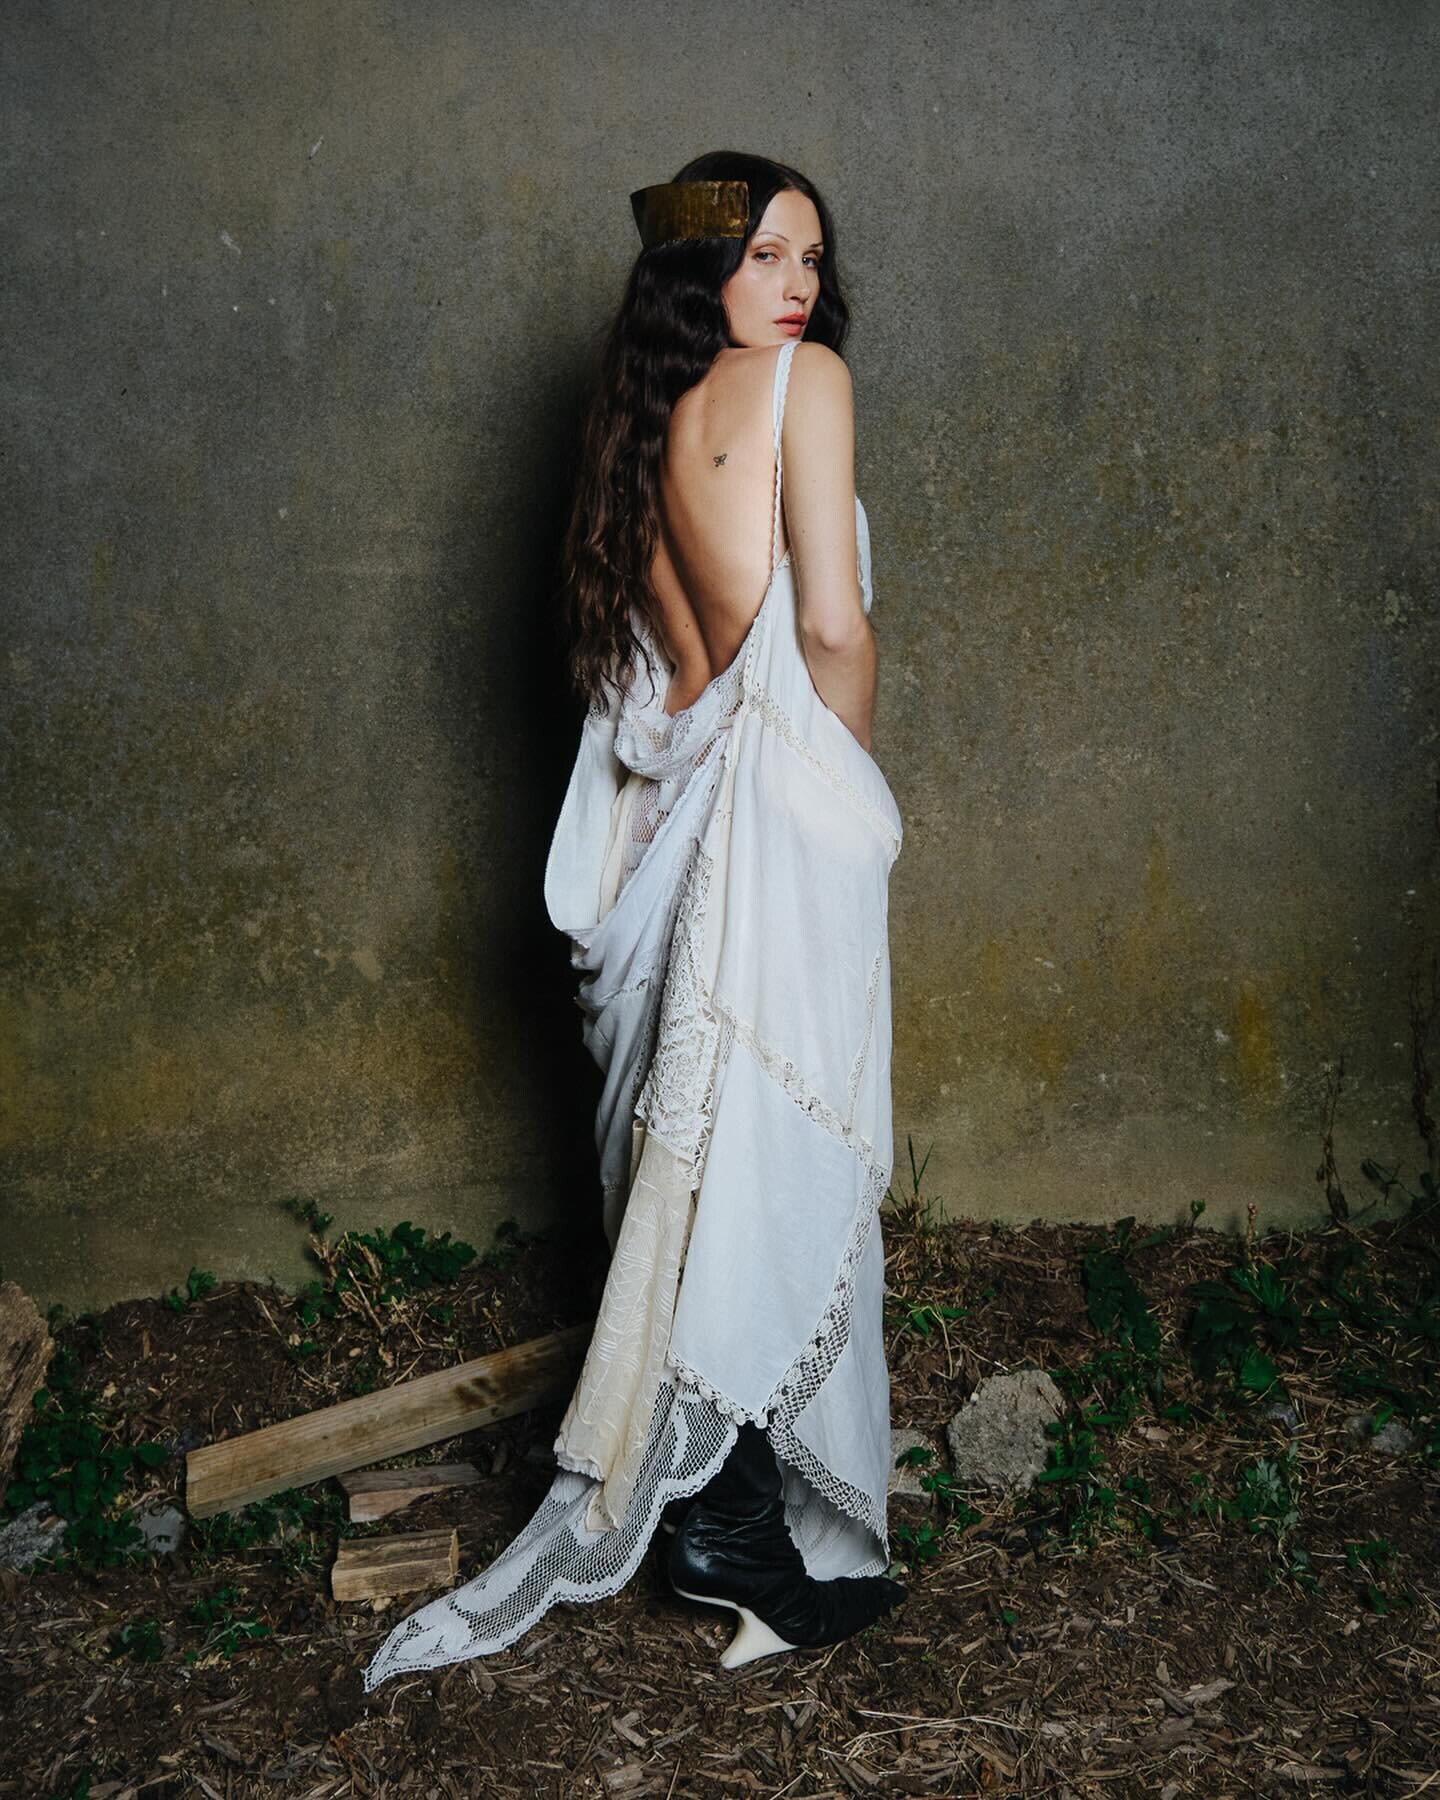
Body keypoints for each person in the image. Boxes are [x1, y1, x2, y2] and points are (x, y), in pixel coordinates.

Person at [365, 151, 906, 1688]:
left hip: (694, 823)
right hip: (780, 817)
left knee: (713, 1174)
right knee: (775, 1167)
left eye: (812, 257)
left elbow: (668, 683)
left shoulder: (645, 426)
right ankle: (740, 1545)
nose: (796, 285)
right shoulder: (804, 386)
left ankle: (730, 1530)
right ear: (701, 269)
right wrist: (854, 797)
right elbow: (827, 625)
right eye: (765, 254)